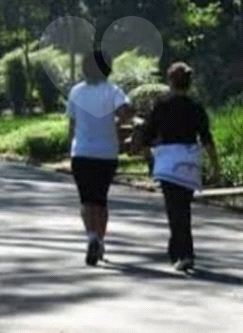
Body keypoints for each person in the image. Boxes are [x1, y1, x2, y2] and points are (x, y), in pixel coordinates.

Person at [137, 62, 221, 272]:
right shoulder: (195, 107)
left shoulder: (161, 105)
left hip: (167, 162)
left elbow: (146, 137)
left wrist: (150, 160)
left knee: (174, 209)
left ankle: (182, 253)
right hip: (189, 161)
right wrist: (215, 166)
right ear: (189, 83)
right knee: (184, 207)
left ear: (169, 81)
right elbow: (207, 139)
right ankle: (181, 250)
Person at [66, 49, 132, 266]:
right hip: (106, 153)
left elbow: (72, 125)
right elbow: (125, 113)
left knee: (86, 200)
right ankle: (101, 240)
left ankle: (91, 237)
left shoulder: (76, 92)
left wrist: (70, 149)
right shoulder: (113, 90)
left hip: (82, 152)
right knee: (101, 200)